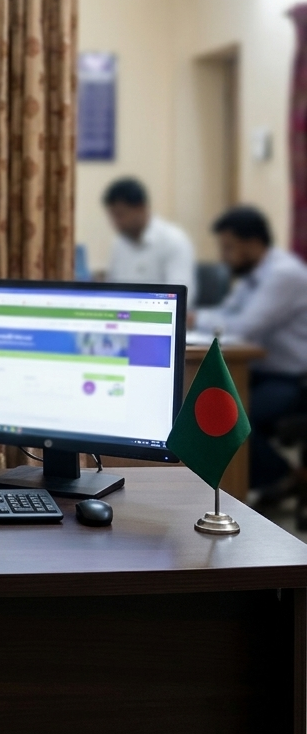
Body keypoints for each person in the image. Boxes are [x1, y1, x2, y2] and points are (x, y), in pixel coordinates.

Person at [191, 206, 307, 495]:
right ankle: (265, 479)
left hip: (292, 380)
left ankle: (285, 476)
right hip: (258, 373)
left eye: (229, 247)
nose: (223, 257)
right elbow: (227, 314)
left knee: (229, 417)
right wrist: (200, 321)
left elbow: (243, 328)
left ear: (253, 242)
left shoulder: (284, 274)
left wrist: (197, 320)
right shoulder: (255, 276)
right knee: (201, 403)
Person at [103, 177, 197, 302]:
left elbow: (183, 297)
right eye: (112, 216)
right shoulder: (119, 244)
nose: (116, 223)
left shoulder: (174, 240)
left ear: (141, 208)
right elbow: (113, 289)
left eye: (120, 215)